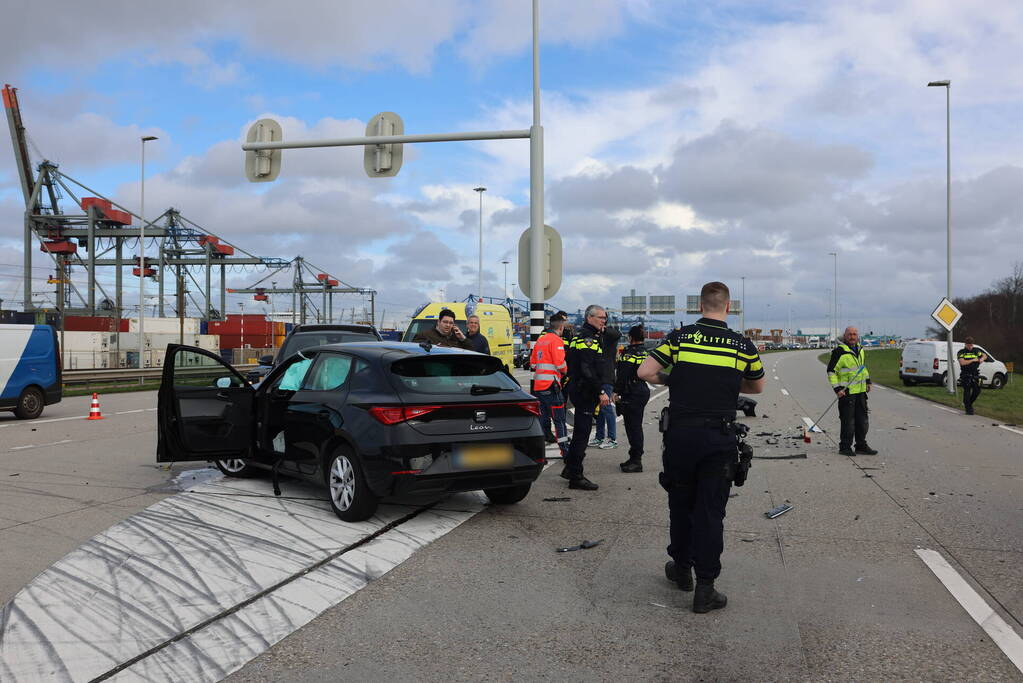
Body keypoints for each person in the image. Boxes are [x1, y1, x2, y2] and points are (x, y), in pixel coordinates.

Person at [637, 282, 765, 614]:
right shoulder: (741, 344)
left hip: (680, 437)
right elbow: (758, 385)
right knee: (710, 512)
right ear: (728, 306)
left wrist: (675, 379)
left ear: (700, 306)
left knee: (680, 503)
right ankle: (705, 588)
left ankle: (681, 570)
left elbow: (645, 371)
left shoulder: (680, 338)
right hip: (717, 440)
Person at [562, 304, 611, 491]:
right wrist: (600, 391)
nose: (603, 321)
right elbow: (587, 368)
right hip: (585, 390)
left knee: (580, 433)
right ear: (590, 318)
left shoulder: (582, 335)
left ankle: (570, 469)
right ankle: (576, 476)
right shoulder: (588, 338)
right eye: (600, 318)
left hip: (579, 387)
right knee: (582, 434)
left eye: (605, 318)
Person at [826, 326, 877, 456]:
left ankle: (861, 445)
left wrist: (868, 381)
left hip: (860, 393)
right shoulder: (839, 352)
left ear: (857, 336)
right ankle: (845, 447)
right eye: (850, 334)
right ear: (845, 335)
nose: (852, 337)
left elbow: (862, 368)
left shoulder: (860, 349)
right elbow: (831, 371)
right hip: (846, 393)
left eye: (854, 334)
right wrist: (837, 389)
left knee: (862, 422)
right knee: (848, 422)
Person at [531, 312, 569, 456]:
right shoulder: (556, 341)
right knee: (559, 420)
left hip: (538, 387)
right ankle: (565, 451)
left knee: (542, 420)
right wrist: (566, 370)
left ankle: (538, 454)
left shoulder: (540, 340)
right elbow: (561, 365)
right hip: (551, 386)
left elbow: (533, 363)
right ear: (561, 327)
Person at [613, 325, 650, 472]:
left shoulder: (629, 353)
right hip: (641, 389)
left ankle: (636, 461)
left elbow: (623, 375)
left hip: (632, 391)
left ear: (631, 338)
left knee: (633, 427)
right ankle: (634, 457)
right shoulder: (646, 352)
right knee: (636, 425)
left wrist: (616, 391)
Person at [591, 325, 621, 449]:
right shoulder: (598, 338)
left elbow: (617, 334)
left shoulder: (610, 338)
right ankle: (599, 437)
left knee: (607, 408)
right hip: (599, 377)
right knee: (601, 410)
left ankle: (612, 439)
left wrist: (604, 329)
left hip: (607, 377)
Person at [957, 336, 987, 415]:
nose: (970, 347)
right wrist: (973, 360)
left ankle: (968, 403)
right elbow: (962, 363)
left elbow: (984, 355)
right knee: (967, 391)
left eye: (971, 345)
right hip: (965, 374)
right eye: (968, 345)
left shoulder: (976, 351)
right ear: (965, 344)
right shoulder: (961, 352)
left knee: (977, 390)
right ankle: (969, 409)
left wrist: (982, 359)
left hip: (975, 374)